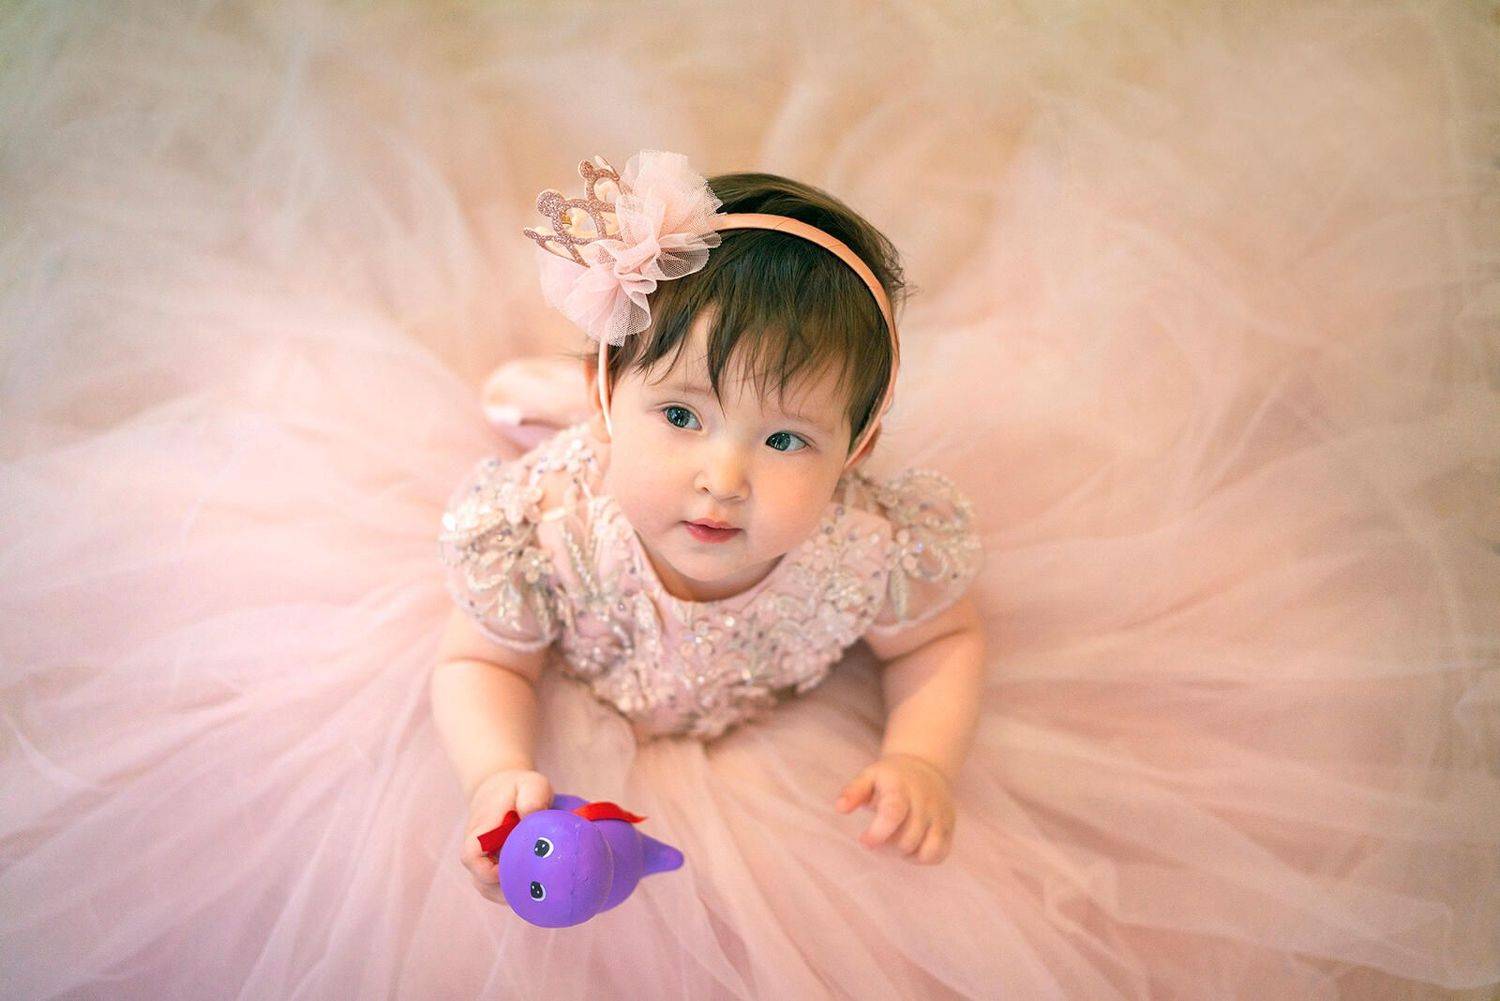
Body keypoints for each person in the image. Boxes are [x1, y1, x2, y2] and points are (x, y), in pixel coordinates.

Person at [429, 150, 988, 904]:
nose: (724, 481)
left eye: (785, 439)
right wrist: (495, 771)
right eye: (681, 415)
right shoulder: (549, 524)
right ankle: (562, 401)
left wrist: (921, 757)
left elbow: (941, 643)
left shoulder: (866, 546)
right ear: (606, 394)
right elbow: (481, 662)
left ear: (855, 450)